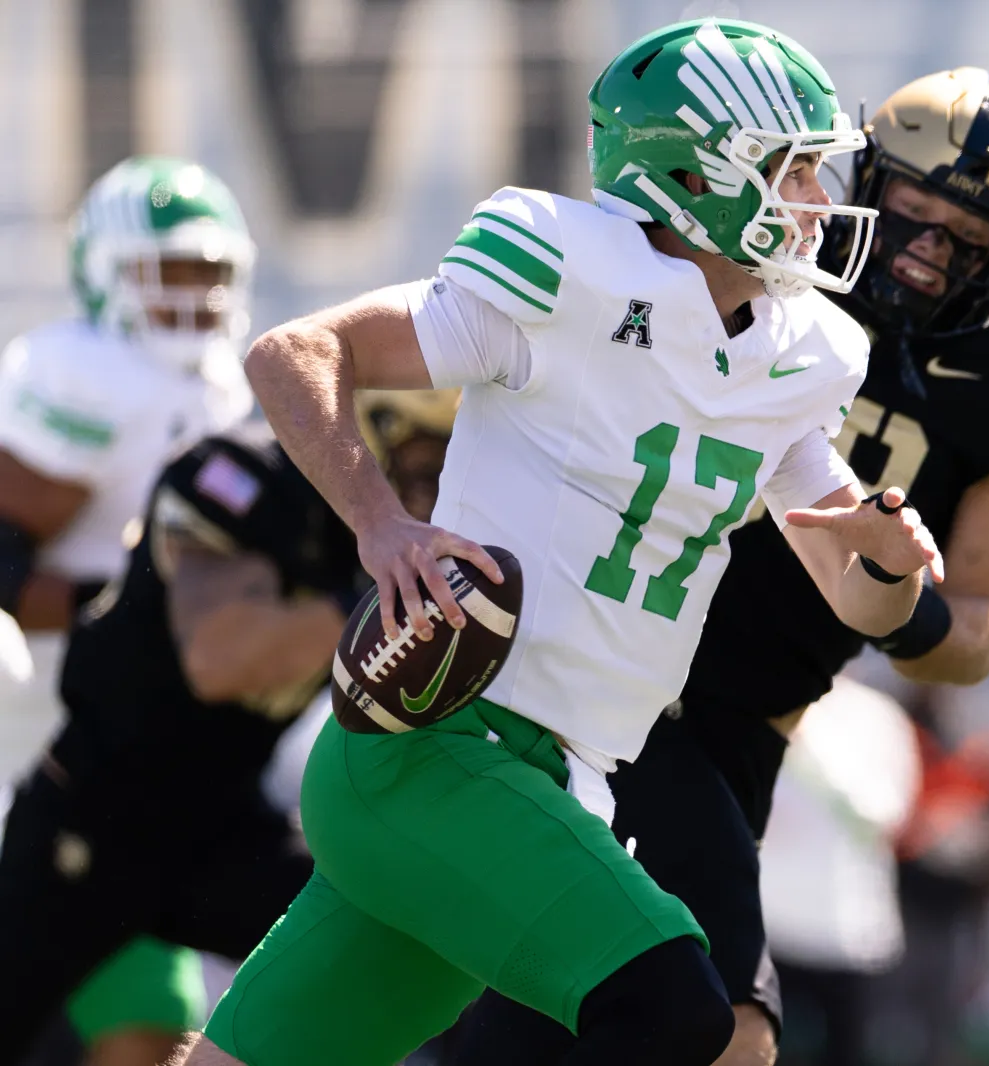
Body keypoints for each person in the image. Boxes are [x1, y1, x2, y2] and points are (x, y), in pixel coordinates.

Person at [178, 18, 941, 1066]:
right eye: (794, 169)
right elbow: (297, 352)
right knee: (677, 1008)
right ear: (697, 171)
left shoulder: (802, 353)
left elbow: (856, 594)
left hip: (555, 776)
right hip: (437, 740)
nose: (817, 200)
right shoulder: (566, 274)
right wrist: (381, 522)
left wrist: (891, 564)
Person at [455, 64, 989, 1066]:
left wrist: (894, 598)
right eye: (908, 211)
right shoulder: (758, 261)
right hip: (598, 664)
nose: (925, 255)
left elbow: (985, 620)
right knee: (700, 1024)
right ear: (859, 177)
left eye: (965, 238)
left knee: (600, 1017)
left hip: (737, 721)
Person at [0, 389, 457, 1063]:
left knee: (404, 935)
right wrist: (379, 595)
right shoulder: (241, 476)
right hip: (96, 818)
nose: (437, 492)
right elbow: (219, 659)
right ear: (371, 433)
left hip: (221, 826)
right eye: (425, 466)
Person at [0, 156, 256, 1066]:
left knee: (150, 1016)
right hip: (36, 749)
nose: (191, 296)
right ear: (106, 275)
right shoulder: (79, 375)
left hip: (152, 762)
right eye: (168, 271)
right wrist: (128, 608)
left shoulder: (234, 389)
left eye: (209, 272)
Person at [757, 676, 921, 1066]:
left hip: (848, 943)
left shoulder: (876, 716)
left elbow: (886, 817)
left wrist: (810, 745)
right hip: (767, 939)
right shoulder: (758, 702)